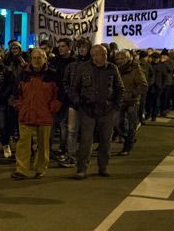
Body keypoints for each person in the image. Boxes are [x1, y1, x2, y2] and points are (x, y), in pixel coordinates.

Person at [69, 44, 124, 179]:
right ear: (93, 56)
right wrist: (78, 103)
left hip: (107, 110)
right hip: (87, 110)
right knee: (86, 140)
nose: (105, 57)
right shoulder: (83, 68)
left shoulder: (112, 68)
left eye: (105, 54)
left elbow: (120, 88)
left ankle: (103, 166)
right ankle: (82, 169)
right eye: (102, 54)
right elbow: (74, 88)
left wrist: (116, 106)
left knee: (106, 140)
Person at [10, 49, 61, 180]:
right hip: (26, 113)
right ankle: (21, 169)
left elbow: (59, 94)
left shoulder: (52, 75)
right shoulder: (23, 75)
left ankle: (40, 168)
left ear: (45, 59)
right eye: (34, 58)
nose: (36, 60)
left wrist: (53, 107)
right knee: (23, 143)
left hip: (44, 114)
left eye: (39, 58)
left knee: (43, 144)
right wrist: (19, 105)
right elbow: (16, 92)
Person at [61, 38, 91, 168]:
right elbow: (66, 83)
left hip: (88, 104)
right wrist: (72, 96)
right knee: (72, 131)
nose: (82, 49)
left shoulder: (93, 65)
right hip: (74, 103)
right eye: (80, 47)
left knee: (86, 132)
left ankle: (84, 159)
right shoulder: (72, 65)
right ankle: (71, 156)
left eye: (84, 47)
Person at [114, 50, 148, 156]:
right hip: (120, 100)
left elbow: (143, 85)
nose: (119, 61)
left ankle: (127, 147)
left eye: (122, 58)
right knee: (117, 123)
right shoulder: (116, 69)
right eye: (117, 59)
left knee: (131, 124)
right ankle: (129, 138)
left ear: (128, 59)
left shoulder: (136, 69)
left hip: (132, 101)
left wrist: (132, 94)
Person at [50, 38, 75, 165]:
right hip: (55, 97)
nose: (60, 48)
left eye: (63, 46)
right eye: (59, 46)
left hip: (68, 98)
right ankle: (48, 150)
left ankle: (63, 149)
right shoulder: (55, 61)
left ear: (69, 47)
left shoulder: (74, 62)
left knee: (64, 126)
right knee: (53, 124)